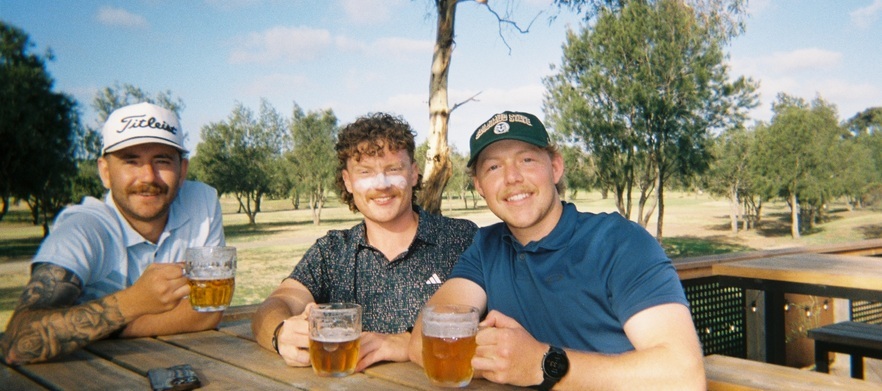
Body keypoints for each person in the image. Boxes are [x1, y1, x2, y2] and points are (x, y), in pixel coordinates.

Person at [408, 111, 705, 390]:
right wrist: (501, 360)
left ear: (555, 168)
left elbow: (684, 376)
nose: (512, 177)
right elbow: (425, 339)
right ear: (479, 186)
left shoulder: (619, 242)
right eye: (494, 167)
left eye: (526, 160)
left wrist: (542, 364)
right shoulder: (487, 247)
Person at [1, 102, 226, 365]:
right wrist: (135, 302)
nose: (148, 176)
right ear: (105, 172)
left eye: (162, 161)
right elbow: (16, 343)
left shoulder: (202, 203)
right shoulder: (84, 228)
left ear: (182, 170)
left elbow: (208, 311)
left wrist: (100, 327)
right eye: (131, 161)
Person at [252, 112, 477, 372]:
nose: (381, 185)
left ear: (414, 174)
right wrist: (281, 333)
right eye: (365, 172)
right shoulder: (332, 251)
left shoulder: (461, 239)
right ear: (348, 181)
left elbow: (499, 323)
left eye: (393, 169)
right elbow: (274, 305)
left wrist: (409, 343)